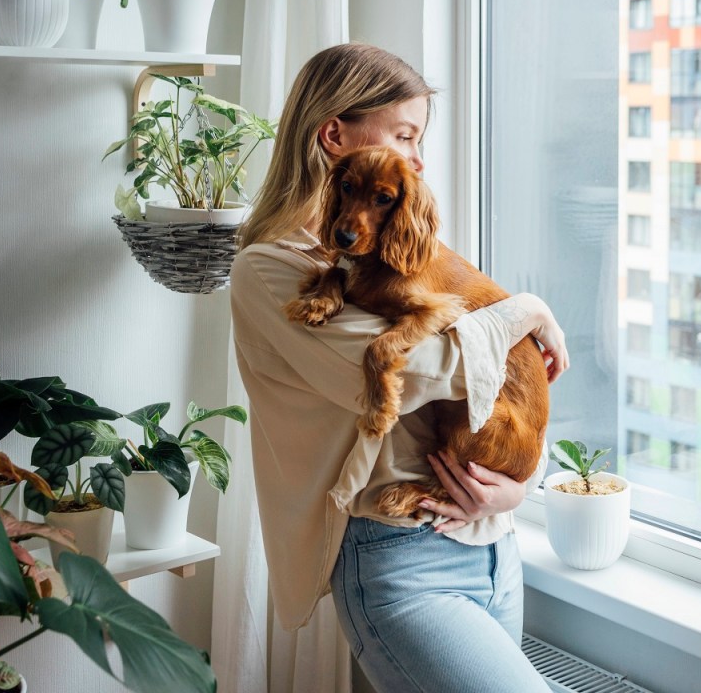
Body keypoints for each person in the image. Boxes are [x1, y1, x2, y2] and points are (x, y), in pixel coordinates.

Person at [230, 42, 570, 693]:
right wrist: (521, 309)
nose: (418, 160)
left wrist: (522, 486)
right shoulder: (272, 269)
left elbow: (515, 387)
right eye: (406, 135)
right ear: (335, 135)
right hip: (399, 556)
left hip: (493, 544)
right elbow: (422, 372)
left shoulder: (399, 248)